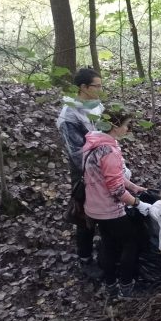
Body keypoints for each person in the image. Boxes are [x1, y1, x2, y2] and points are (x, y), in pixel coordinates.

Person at [82, 108, 147, 298]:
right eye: (127, 125)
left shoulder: (94, 143)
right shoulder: (108, 151)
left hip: (94, 207)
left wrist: (132, 186)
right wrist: (137, 204)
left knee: (108, 243)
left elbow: (110, 177)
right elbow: (116, 190)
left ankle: (110, 284)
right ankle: (126, 285)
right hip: (109, 209)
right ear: (115, 126)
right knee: (130, 242)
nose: (128, 129)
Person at [56, 67, 105, 279]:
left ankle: (105, 249)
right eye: (97, 86)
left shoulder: (97, 106)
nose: (100, 90)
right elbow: (76, 152)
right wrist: (97, 168)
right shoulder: (69, 115)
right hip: (84, 172)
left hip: (105, 165)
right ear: (83, 88)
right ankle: (85, 259)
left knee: (106, 209)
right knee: (85, 214)